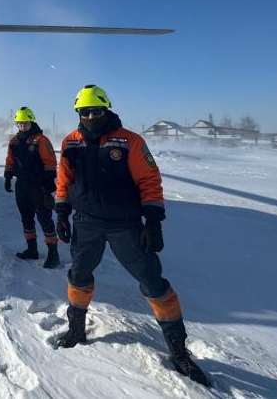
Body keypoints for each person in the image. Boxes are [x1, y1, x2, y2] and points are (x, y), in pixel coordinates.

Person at [53, 85, 209, 387]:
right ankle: (76, 328)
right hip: (86, 223)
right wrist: (61, 211)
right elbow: (64, 180)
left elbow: (149, 181)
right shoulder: (70, 143)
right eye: (84, 112)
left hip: (125, 224)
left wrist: (153, 222)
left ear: (106, 109)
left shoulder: (130, 142)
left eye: (95, 111)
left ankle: (178, 350)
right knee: (79, 275)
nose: (90, 116)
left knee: (153, 282)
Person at [4, 107, 60, 268]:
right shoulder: (14, 141)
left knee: (44, 218)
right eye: (20, 123)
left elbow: (50, 162)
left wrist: (48, 184)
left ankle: (53, 253)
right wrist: (7, 177)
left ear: (31, 122)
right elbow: (10, 161)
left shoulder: (40, 140)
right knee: (26, 217)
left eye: (25, 123)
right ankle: (32, 249)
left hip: (38, 185)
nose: (22, 126)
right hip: (21, 185)